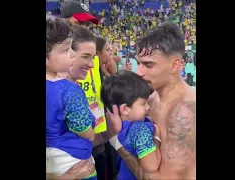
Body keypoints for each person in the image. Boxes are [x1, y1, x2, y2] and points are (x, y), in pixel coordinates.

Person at [106, 22, 196, 180]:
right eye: (139, 63)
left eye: (148, 65)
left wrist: (116, 143)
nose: (139, 72)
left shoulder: (185, 113)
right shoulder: (148, 100)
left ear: (175, 65)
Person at [61, 3, 118, 179]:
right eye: (80, 24)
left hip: (96, 139)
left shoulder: (90, 63)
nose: (85, 29)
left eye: (87, 25)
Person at [46, 15, 97, 180]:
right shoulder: (68, 90)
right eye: (67, 50)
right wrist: (91, 134)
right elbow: (83, 127)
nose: (73, 55)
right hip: (72, 159)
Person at [101, 71, 161, 180]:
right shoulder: (139, 130)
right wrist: (157, 138)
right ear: (125, 109)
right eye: (143, 103)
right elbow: (151, 166)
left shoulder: (119, 127)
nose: (148, 107)